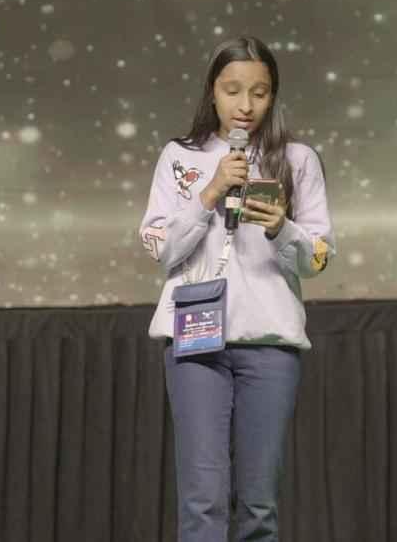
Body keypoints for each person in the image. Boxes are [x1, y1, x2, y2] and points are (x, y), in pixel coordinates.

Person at [138, 35, 336, 541]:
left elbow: (318, 258)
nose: (245, 105)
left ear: (273, 96)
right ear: (212, 91)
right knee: (202, 500)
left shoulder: (297, 160)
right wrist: (209, 192)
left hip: (269, 345)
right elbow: (160, 247)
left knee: (258, 503)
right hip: (195, 345)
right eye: (232, 91)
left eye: (259, 92)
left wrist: (282, 229)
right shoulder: (179, 157)